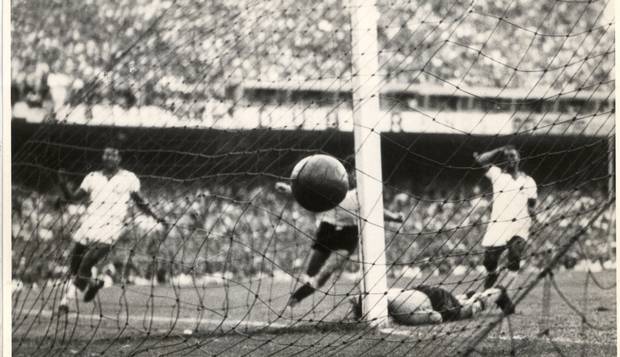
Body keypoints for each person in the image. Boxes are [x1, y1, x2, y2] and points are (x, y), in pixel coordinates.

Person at [275, 157, 404, 308]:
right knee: (310, 271)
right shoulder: (333, 189)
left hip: (348, 235)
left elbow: (376, 210)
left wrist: (394, 217)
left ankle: (298, 296)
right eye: (354, 174)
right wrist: (289, 189)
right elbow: (311, 192)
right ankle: (305, 287)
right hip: (327, 229)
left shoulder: (362, 195)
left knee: (327, 271)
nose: (355, 177)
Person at [58, 138, 167, 314]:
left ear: (119, 158)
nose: (109, 157)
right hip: (89, 223)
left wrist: (156, 216)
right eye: (106, 153)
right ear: (102, 156)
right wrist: (63, 184)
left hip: (111, 227)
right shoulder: (92, 177)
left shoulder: (129, 178)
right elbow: (72, 198)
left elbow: (140, 201)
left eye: (113, 154)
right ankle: (92, 283)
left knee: (86, 263)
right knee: (75, 265)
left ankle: (65, 302)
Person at [473, 145, 537, 293]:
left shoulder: (528, 181)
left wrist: (535, 219)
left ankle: (505, 292)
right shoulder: (497, 175)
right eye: (507, 157)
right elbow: (480, 160)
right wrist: (499, 149)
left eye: (513, 156)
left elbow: (532, 205)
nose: (510, 159)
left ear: (518, 158)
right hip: (499, 225)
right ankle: (492, 274)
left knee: (514, 256)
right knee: (489, 261)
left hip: (520, 225)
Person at [348, 285, 515, 325]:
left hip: (428, 298)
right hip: (422, 291)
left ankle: (498, 293)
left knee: (468, 308)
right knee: (463, 303)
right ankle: (473, 296)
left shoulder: (394, 305)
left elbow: (436, 317)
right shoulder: (385, 293)